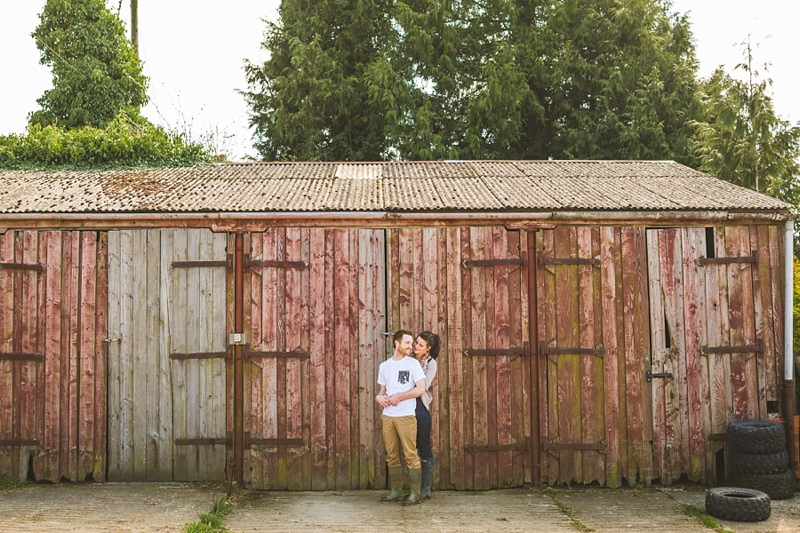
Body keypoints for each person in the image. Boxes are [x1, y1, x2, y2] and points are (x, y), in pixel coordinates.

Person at [376, 330, 426, 505]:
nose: (410, 347)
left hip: (406, 416)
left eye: (412, 344)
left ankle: (415, 494)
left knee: (410, 454)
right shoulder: (384, 366)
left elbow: (420, 388)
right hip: (388, 416)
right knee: (391, 455)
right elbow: (382, 391)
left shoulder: (413, 364)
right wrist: (379, 398)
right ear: (397, 344)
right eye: (407, 343)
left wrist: (400, 397)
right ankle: (396, 491)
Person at [413, 331, 440, 500]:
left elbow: (424, 385)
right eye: (416, 342)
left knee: (423, 446)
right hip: (403, 409)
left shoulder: (431, 364)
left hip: (420, 407)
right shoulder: (406, 359)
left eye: (420, 345)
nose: (416, 346)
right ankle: (412, 488)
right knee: (408, 449)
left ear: (428, 348)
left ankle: (425, 489)